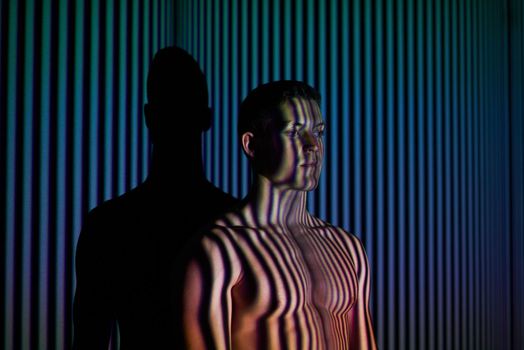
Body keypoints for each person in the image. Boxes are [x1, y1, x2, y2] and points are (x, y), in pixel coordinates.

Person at [177, 80, 377, 349]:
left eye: (318, 132)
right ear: (251, 144)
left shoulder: (348, 248)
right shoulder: (222, 249)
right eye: (294, 132)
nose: (312, 146)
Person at [72, 46, 238, 349]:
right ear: (207, 118)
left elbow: (89, 339)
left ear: (149, 117)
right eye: (172, 108)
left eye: (181, 108)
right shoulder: (238, 223)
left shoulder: (109, 225)